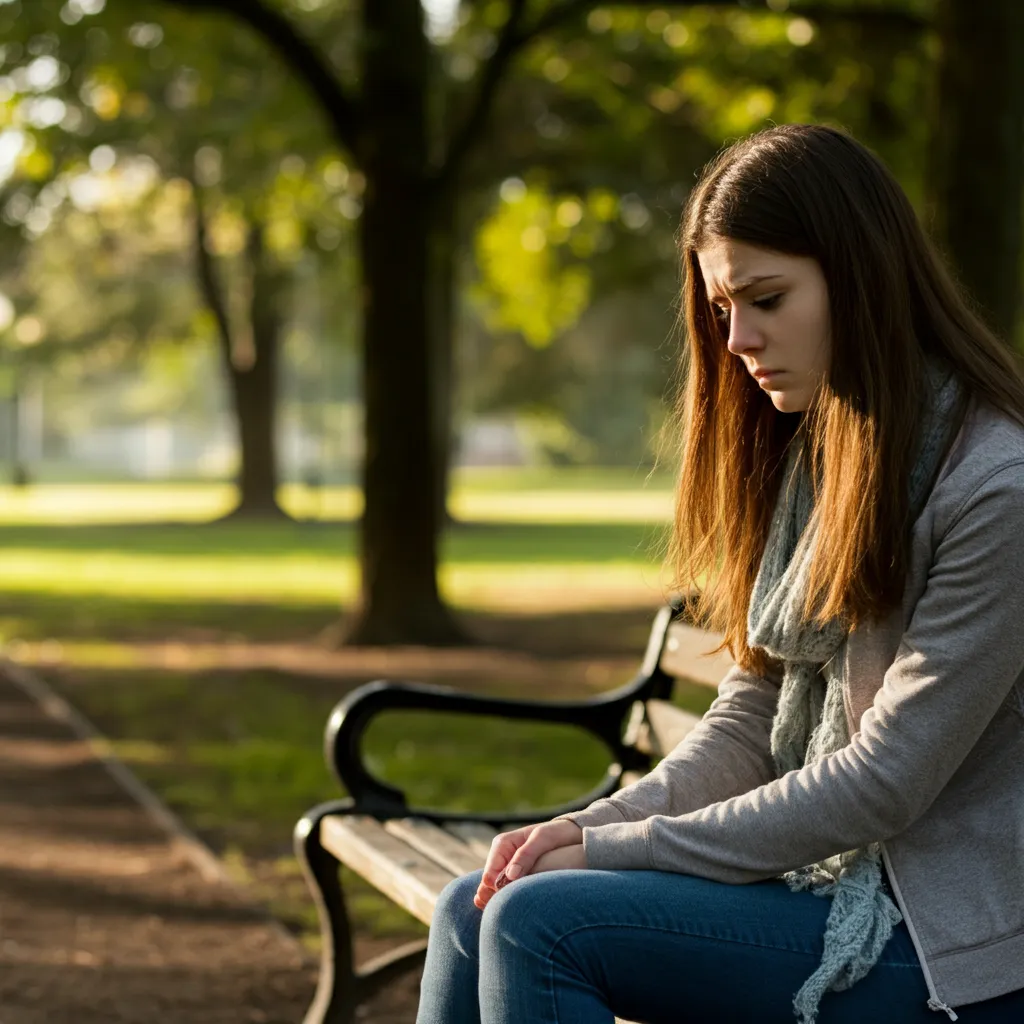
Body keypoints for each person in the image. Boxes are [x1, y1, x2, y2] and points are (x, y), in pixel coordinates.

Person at [415, 123, 1024, 1024]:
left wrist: (623, 853)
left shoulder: (995, 490)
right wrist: (593, 826)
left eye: (766, 299)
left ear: (861, 279)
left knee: (539, 926)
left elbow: (883, 781)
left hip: (941, 942)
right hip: (825, 892)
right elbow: (747, 721)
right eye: (722, 310)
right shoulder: (824, 458)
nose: (738, 340)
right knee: (469, 912)